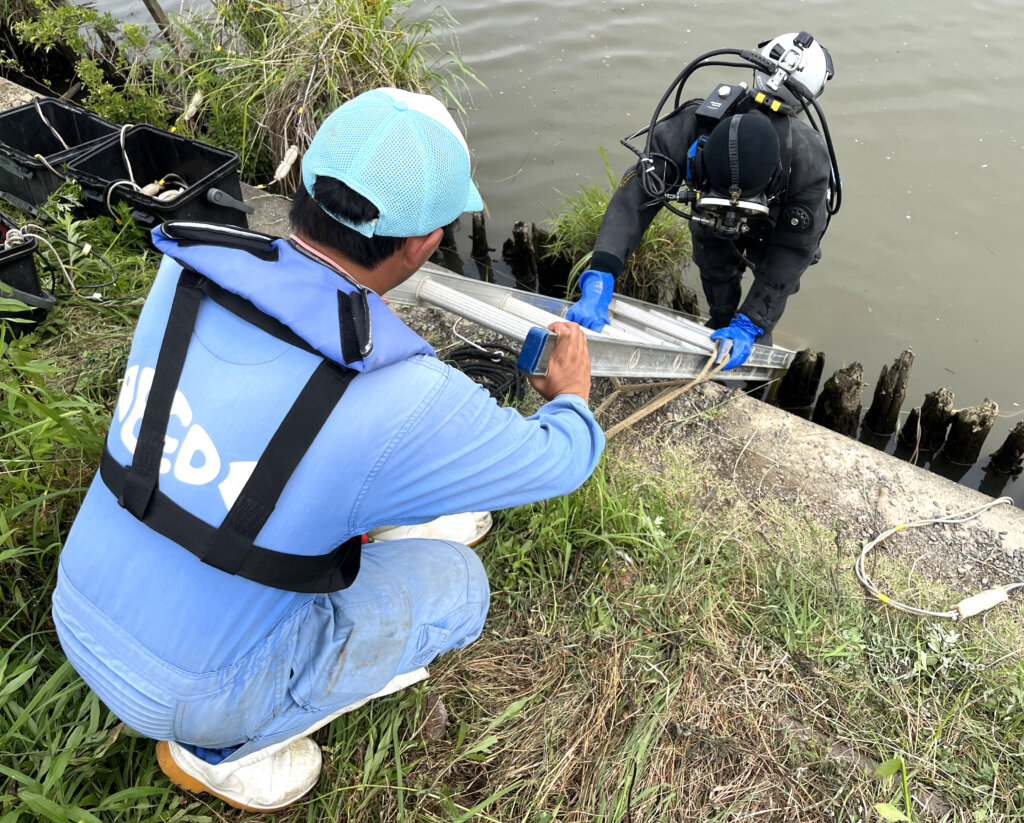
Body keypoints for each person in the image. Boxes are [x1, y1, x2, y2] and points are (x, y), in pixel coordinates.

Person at [51, 87, 604, 811]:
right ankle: (217, 751)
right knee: (459, 583)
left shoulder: (185, 270)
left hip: (80, 602)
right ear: (423, 243)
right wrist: (571, 396)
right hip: (191, 691)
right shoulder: (407, 394)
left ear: (305, 184)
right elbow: (563, 457)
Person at [567, 33, 835, 371]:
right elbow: (636, 196)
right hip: (709, 218)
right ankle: (719, 318)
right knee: (714, 266)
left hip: (773, 231)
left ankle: (747, 345)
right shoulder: (694, 125)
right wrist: (602, 272)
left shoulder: (808, 160)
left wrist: (753, 321)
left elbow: (796, 249)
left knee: (764, 304)